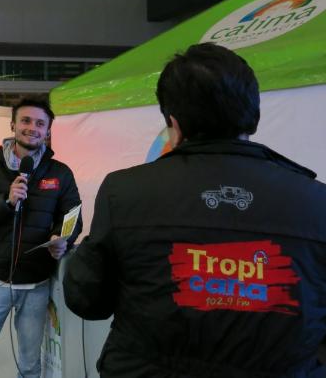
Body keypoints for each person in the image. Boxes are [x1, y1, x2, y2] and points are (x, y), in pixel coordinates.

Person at [63, 43, 326, 377]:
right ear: (254, 117)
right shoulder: (316, 201)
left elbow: (87, 299)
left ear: (173, 123)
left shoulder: (125, 192)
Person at [0, 97, 82, 378]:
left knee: (30, 365)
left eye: (40, 124)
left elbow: (73, 215)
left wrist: (63, 238)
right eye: (26, 121)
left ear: (47, 131)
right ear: (13, 125)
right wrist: (6, 201)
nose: (32, 128)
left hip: (36, 283)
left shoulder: (60, 173)